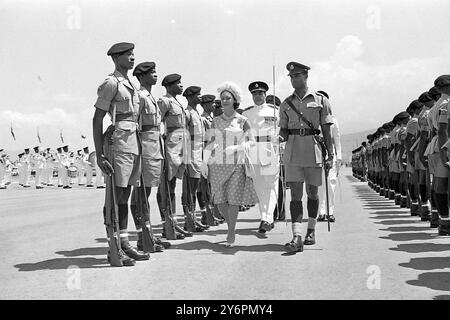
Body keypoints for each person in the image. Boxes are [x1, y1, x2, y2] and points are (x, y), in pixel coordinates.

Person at [92, 42, 149, 266]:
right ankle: (113, 246)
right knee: (115, 197)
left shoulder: (130, 84)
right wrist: (99, 154)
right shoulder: (111, 83)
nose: (132, 57)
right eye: (127, 54)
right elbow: (97, 119)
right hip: (118, 145)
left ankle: (125, 244)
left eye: (133, 53)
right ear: (116, 58)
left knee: (124, 196)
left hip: (132, 143)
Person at [278, 62, 334, 253]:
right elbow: (283, 130)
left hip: (313, 150)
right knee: (295, 195)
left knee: (312, 193)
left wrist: (331, 155)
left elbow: (327, 129)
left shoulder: (320, 100)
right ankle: (297, 235)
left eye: (297, 76)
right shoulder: (285, 103)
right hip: (293, 151)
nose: (294, 80)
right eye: (291, 77)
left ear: (306, 76)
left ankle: (311, 229)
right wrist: (278, 138)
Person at [201, 81, 259, 247]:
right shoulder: (216, 120)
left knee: (233, 200)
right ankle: (230, 225)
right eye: (222, 98)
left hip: (237, 164)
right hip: (218, 165)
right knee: (219, 202)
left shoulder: (242, 120)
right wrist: (204, 162)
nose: (225, 100)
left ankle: (231, 232)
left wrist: (237, 147)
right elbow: (210, 143)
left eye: (228, 98)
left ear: (235, 100)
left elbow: (252, 142)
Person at [129, 61, 167, 252]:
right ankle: (143, 236)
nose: (155, 75)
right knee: (141, 194)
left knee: (146, 193)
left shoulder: (150, 96)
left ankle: (147, 235)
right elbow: (134, 123)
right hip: (144, 148)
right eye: (151, 73)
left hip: (154, 147)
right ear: (141, 76)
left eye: (155, 72)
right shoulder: (140, 96)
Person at [156, 73, 193, 238]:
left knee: (172, 186)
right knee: (166, 185)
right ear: (169, 86)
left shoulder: (178, 102)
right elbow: (157, 122)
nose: (181, 86)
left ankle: (173, 222)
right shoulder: (165, 101)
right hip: (171, 144)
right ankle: (167, 224)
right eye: (178, 83)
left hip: (181, 144)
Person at [243, 81, 279, 234]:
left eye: (260, 93)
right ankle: (264, 217)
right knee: (259, 187)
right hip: (253, 151)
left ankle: (268, 217)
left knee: (270, 185)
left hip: (269, 150)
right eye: (254, 94)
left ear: (265, 95)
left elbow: (281, 130)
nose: (257, 96)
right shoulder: (246, 114)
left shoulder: (275, 111)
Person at [182, 86, 209, 232]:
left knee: (195, 187)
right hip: (191, 154)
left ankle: (192, 219)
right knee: (190, 189)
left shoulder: (196, 113)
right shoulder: (187, 113)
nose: (200, 96)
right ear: (190, 97)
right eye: (197, 94)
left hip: (198, 153)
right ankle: (189, 220)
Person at [427, 75, 450, 235]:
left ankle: (441, 221)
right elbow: (443, 130)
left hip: (436, 146)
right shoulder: (445, 104)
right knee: (441, 185)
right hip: (444, 146)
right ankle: (444, 223)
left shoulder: (436, 106)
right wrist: (444, 153)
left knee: (438, 184)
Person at [317, 91, 342, 222]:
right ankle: (321, 212)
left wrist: (338, 157)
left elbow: (337, 139)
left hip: (330, 154)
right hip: (316, 154)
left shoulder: (333, 120)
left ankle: (330, 211)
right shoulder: (312, 120)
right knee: (319, 185)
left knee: (331, 184)